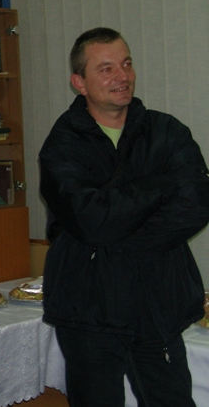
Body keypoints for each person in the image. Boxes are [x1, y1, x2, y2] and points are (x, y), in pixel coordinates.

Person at [39, 27, 209, 406]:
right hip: (88, 309)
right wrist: (161, 184)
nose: (123, 76)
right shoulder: (62, 144)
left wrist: (119, 234)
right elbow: (91, 220)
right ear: (79, 83)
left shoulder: (167, 131)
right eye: (106, 69)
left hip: (157, 302)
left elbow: (196, 203)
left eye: (127, 64)